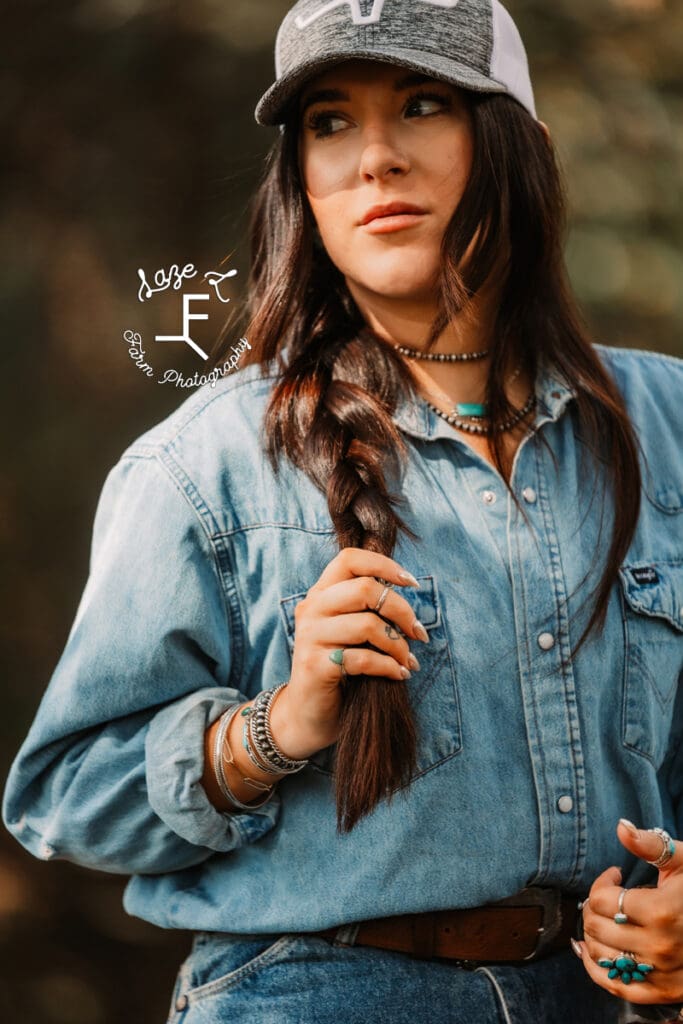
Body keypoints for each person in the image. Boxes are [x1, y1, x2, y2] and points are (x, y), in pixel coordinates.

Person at [3, 0, 683, 1021]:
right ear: (301, 182)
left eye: (421, 104)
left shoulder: (664, 424)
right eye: (328, 121)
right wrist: (274, 727)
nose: (373, 158)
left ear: (520, 146)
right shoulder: (206, 463)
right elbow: (63, 800)